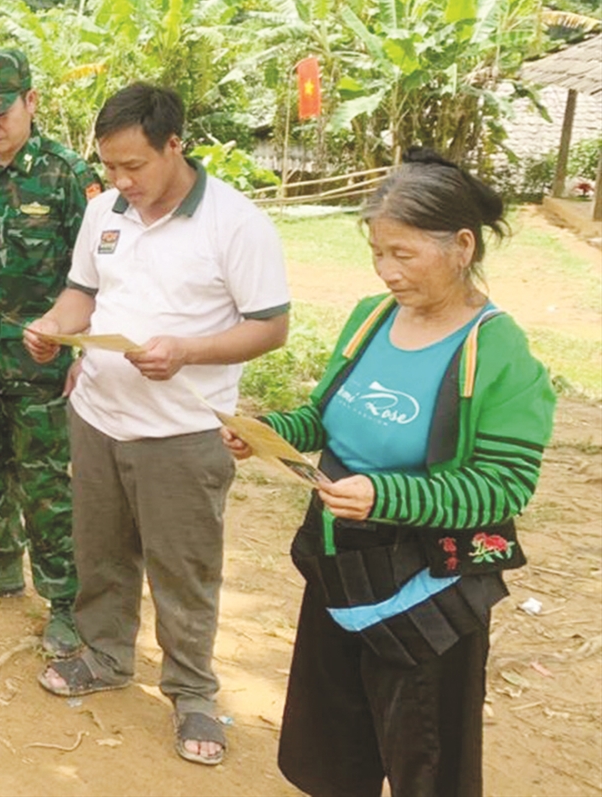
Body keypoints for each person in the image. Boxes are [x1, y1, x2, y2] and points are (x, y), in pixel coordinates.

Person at [221, 151, 555, 797]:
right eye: (378, 252)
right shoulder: (373, 317)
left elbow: (504, 485)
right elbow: (325, 415)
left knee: (425, 761)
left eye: (403, 254)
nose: (386, 270)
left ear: (462, 245)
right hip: (338, 568)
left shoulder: (499, 351)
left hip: (426, 592)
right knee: (334, 747)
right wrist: (272, 432)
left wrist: (387, 494)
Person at [22, 82, 289, 767]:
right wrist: (56, 325)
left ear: (175, 145)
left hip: (183, 430)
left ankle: (194, 691)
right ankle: (107, 654)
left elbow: (270, 326)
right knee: (102, 551)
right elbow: (84, 289)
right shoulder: (106, 212)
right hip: (99, 417)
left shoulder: (236, 222)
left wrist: (187, 351)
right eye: (110, 165)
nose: (121, 180)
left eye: (134, 165)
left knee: (183, 566)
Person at [0, 49, 100, 657]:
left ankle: (65, 601)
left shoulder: (68, 176)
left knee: (47, 487)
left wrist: (81, 349)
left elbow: (96, 274)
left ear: (30, 102)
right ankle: (1, 561)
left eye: (1, 111)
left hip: (42, 364)